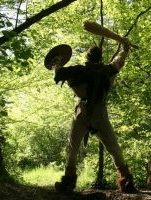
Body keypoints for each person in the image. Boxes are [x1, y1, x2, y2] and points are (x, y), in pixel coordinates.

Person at [53, 38, 137, 193]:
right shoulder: (108, 70)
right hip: (99, 115)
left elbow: (58, 73)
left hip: (81, 114)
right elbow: (119, 61)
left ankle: (68, 182)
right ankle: (126, 182)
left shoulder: (77, 71)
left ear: (87, 57)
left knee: (72, 148)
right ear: (100, 58)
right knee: (114, 149)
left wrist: (57, 61)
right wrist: (125, 49)